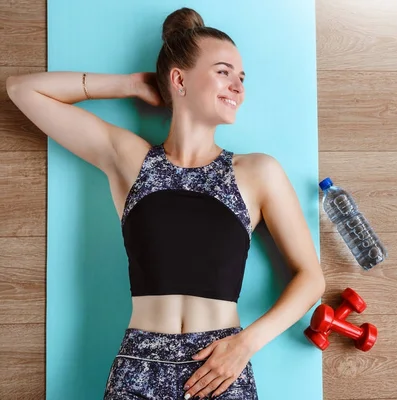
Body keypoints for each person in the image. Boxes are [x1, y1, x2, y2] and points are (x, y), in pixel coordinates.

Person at [6, 6, 325, 400]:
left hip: (219, 368)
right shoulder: (132, 160)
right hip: (138, 369)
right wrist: (131, 86)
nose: (239, 87)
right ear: (179, 79)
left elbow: (312, 278)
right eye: (224, 72)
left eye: (242, 77)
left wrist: (246, 345)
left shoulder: (257, 172)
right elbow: (22, 90)